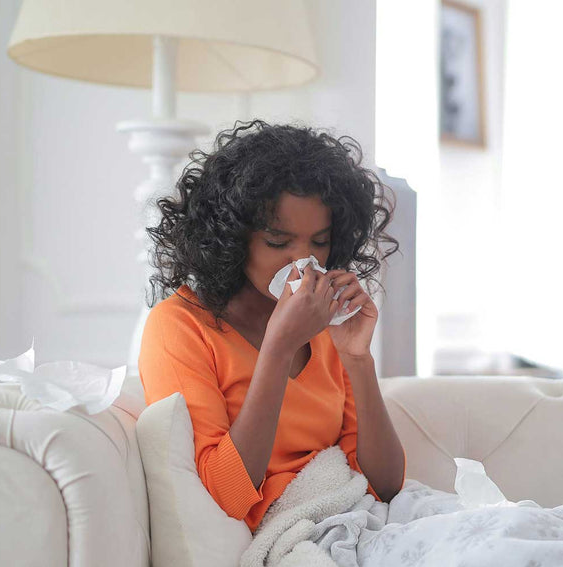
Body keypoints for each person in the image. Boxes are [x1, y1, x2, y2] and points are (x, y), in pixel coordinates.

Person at [137, 119, 406, 533]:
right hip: (296, 538)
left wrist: (357, 359)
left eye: (319, 242)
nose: (303, 261)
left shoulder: (326, 324)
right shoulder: (179, 326)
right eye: (278, 243)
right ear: (231, 238)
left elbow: (385, 487)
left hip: (358, 522)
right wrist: (279, 349)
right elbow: (224, 495)